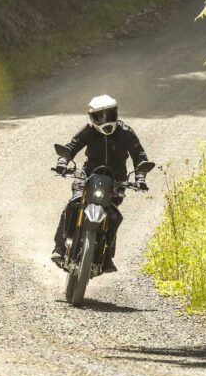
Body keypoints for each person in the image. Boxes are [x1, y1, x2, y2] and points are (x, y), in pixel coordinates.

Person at [52, 95, 149, 273]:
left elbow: (140, 156)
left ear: (117, 113)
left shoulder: (126, 132)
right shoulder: (88, 130)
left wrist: (140, 177)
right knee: (73, 204)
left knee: (113, 216)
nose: (105, 120)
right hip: (88, 175)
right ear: (92, 118)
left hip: (116, 180)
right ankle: (59, 248)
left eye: (109, 114)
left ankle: (107, 257)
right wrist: (62, 162)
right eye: (100, 116)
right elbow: (71, 147)